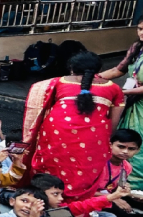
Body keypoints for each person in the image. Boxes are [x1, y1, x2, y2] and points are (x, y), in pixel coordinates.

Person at [24, 51, 125, 201]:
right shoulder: (114, 88)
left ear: (71, 68)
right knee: (84, 170)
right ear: (98, 69)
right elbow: (113, 122)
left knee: (53, 165)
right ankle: (78, 206)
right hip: (94, 139)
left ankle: (48, 199)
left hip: (57, 133)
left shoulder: (57, 83)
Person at [100, 19, 143, 189]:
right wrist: (91, 78)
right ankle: (123, 184)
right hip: (134, 103)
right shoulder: (137, 47)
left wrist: (121, 92)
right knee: (128, 140)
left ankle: (137, 187)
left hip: (138, 102)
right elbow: (118, 70)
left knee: (139, 145)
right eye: (140, 28)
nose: (141, 33)